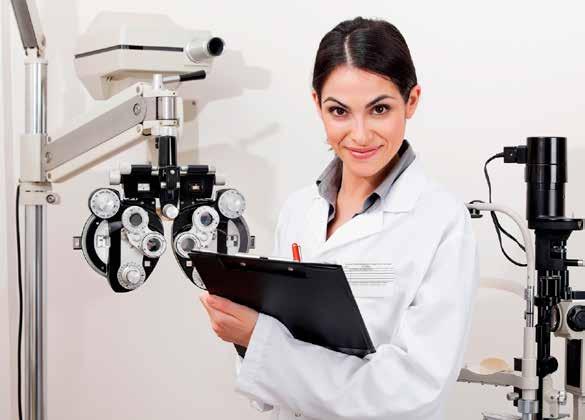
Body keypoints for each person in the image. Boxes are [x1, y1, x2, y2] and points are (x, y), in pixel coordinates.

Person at [200, 16, 479, 420]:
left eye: (379, 109)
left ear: (412, 101)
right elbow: (269, 384)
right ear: (317, 104)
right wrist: (247, 340)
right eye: (339, 111)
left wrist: (259, 340)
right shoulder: (299, 210)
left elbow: (412, 393)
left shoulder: (442, 221)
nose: (360, 135)